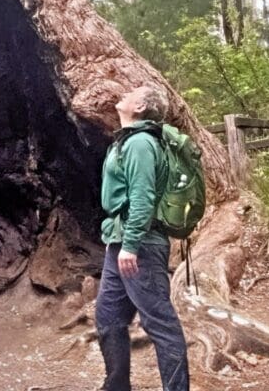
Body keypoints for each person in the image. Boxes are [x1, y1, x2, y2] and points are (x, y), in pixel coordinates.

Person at [95, 85, 189, 391]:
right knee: (109, 319)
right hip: (119, 243)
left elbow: (143, 198)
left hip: (140, 245)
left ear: (140, 108)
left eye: (132, 93)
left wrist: (131, 245)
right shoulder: (128, 142)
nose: (124, 93)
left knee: (161, 324)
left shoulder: (140, 144)